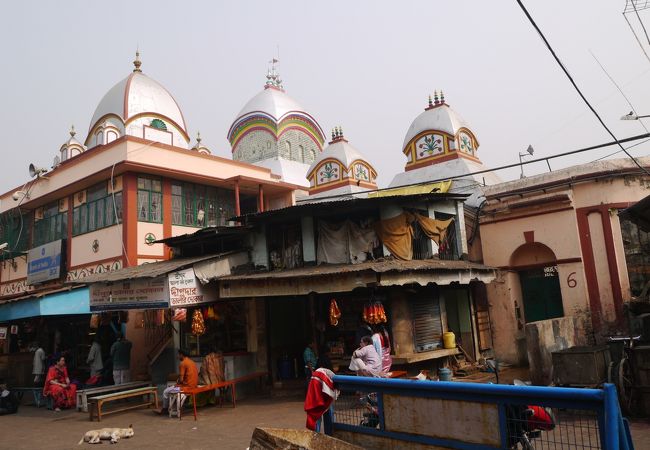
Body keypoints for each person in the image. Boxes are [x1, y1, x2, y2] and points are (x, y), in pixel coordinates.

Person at [156, 349, 199, 415]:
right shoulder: (192, 362)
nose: (178, 356)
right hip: (194, 385)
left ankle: (165, 409)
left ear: (182, 355)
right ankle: (169, 408)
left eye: (179, 355)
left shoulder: (183, 363)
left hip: (186, 387)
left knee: (165, 391)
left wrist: (178, 381)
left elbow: (181, 380)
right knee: (172, 387)